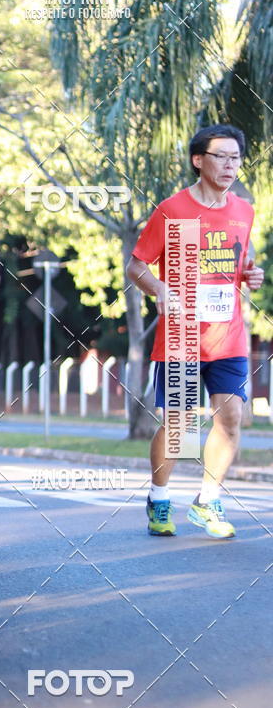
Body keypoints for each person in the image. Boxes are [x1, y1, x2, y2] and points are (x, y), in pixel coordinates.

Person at [126, 124, 264, 539]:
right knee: (181, 427)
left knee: (231, 418)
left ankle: (208, 501)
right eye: (220, 156)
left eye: (236, 158)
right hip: (182, 337)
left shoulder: (244, 209)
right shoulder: (173, 209)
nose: (229, 165)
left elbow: (241, 261)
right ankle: (159, 497)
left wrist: (250, 275)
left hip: (229, 334)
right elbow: (137, 265)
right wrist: (160, 288)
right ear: (198, 160)